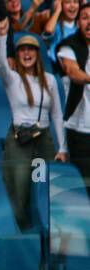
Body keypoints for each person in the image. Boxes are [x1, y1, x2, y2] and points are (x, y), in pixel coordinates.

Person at [57, 3, 90, 184]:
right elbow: (73, 72)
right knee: (85, 188)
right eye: (85, 18)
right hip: (80, 132)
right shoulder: (68, 46)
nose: (89, 22)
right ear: (78, 23)